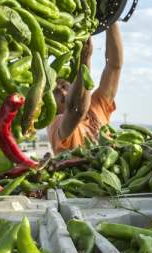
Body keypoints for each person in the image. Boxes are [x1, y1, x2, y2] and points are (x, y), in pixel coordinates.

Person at [48, 22, 124, 154]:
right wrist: (84, 60)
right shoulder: (56, 125)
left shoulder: (96, 107)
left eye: (64, 86)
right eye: (55, 91)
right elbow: (76, 110)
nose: (61, 91)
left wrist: (111, 20)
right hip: (81, 175)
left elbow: (114, 65)